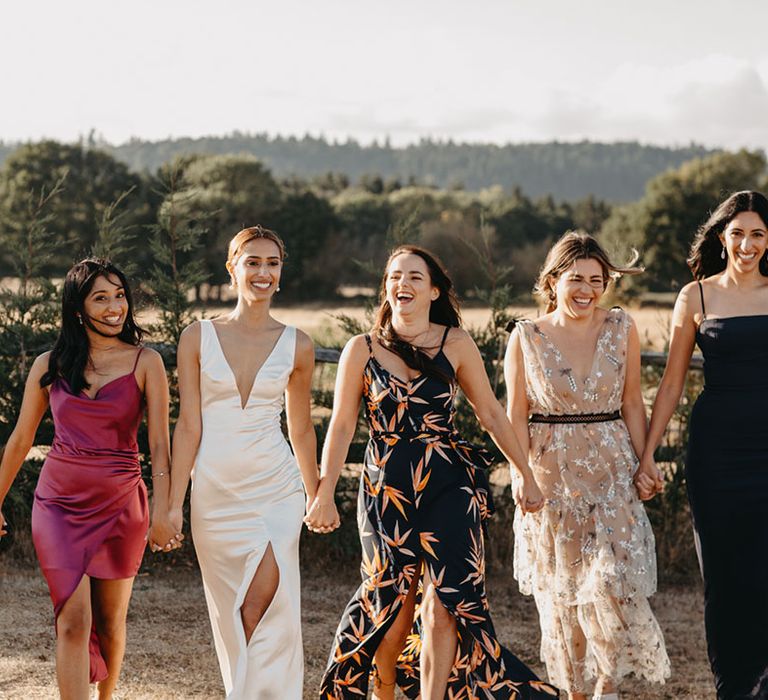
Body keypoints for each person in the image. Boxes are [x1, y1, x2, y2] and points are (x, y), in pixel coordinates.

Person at [307, 244, 559, 700]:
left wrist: (525, 472)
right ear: (386, 288)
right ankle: (384, 688)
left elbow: (491, 414)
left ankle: (434, 696)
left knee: (450, 601)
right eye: (394, 277)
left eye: (414, 277)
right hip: (387, 486)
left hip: (448, 484)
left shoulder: (455, 343)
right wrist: (324, 492)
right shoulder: (360, 349)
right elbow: (342, 425)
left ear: (434, 290)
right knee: (389, 595)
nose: (402, 284)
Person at [504, 232, 669, 700]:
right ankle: (575, 689)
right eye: (576, 279)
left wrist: (646, 461)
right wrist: (523, 476)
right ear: (553, 280)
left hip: (612, 470)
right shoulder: (526, 336)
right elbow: (514, 414)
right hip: (551, 478)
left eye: (597, 280)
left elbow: (633, 401)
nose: (586, 290)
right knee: (566, 595)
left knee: (612, 583)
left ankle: (606, 684)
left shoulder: (621, 327)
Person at [0, 258, 172, 700]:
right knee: (73, 620)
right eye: (101, 297)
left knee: (111, 624)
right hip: (58, 505)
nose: (116, 306)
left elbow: (161, 447)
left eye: (120, 295)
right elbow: (20, 440)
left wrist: (166, 509)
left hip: (122, 507)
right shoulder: (49, 365)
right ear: (78, 309)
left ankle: (106, 697)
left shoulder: (146, 361)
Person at [161, 225, 319, 699]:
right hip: (215, 493)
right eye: (252, 262)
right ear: (232, 269)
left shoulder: (299, 345)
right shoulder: (197, 337)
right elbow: (188, 425)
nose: (263, 272)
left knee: (268, 602)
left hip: (276, 487)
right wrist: (172, 507)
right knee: (234, 613)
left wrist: (317, 494)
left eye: (272, 263)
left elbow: (302, 429)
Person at [639, 191, 768, 699]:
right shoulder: (696, 296)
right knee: (724, 580)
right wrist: (648, 453)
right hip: (716, 455)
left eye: (758, 233)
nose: (747, 244)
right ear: (722, 237)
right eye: (738, 233)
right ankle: (733, 689)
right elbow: (671, 383)